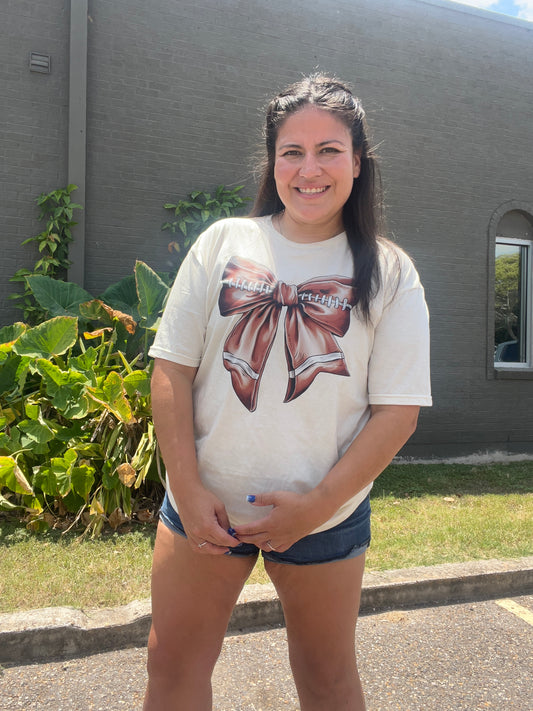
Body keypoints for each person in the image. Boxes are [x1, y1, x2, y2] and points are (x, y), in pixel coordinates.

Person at [143, 73, 432, 710]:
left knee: (327, 681)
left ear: (358, 162)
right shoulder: (223, 242)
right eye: (291, 152)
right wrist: (187, 487)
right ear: (271, 162)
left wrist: (316, 505)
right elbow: (172, 368)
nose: (309, 169)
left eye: (329, 150)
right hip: (204, 506)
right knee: (170, 665)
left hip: (324, 516)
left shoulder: (389, 272)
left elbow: (398, 412)